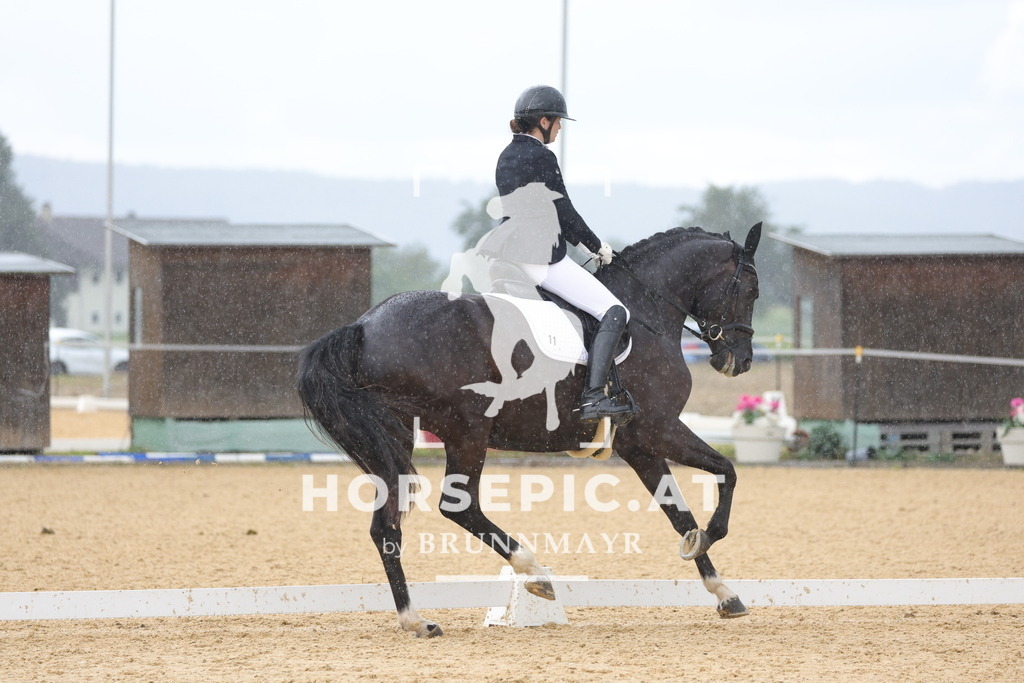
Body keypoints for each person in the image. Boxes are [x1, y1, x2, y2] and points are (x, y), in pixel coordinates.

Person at [488, 84, 638, 425]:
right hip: (540, 258)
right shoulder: (542, 156)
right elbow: (564, 212)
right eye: (557, 122)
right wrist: (596, 245)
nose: (560, 128)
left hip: (509, 253)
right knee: (614, 311)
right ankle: (594, 396)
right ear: (543, 121)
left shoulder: (506, 155)